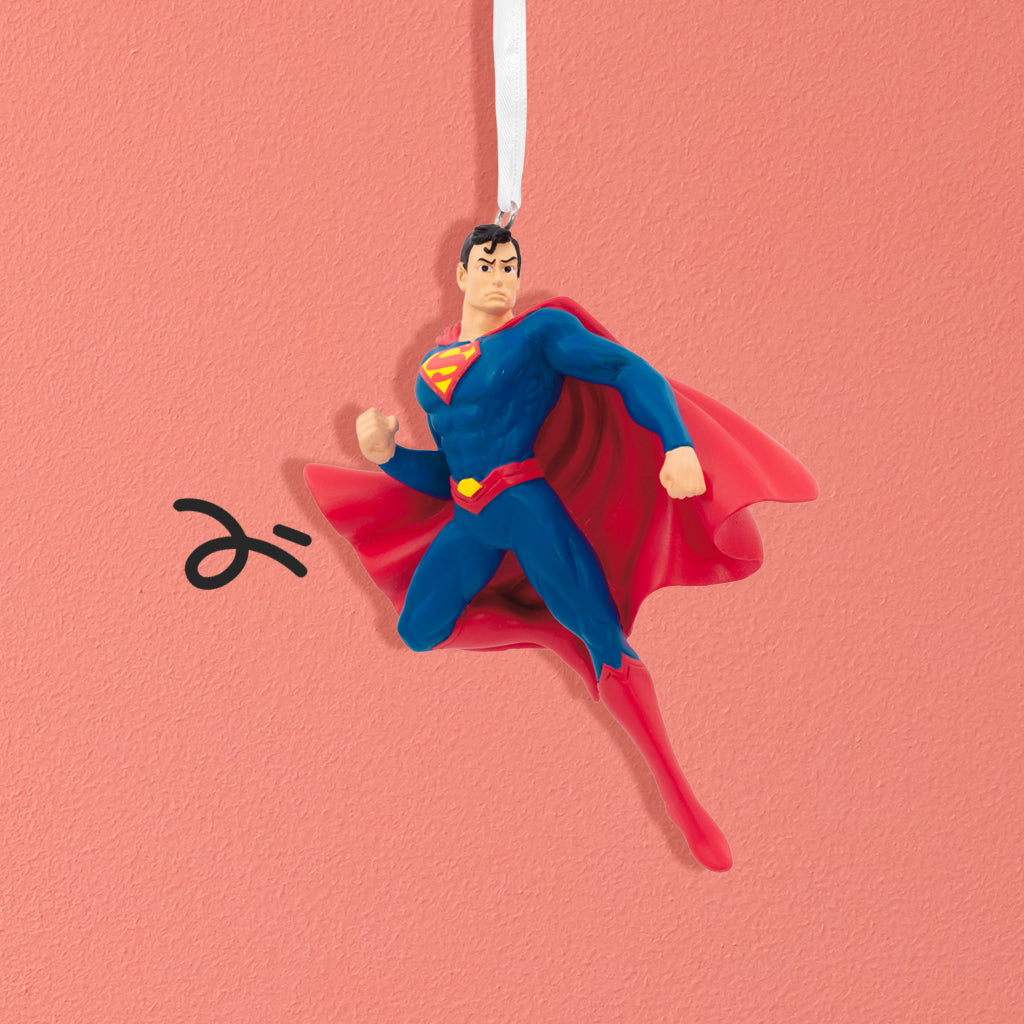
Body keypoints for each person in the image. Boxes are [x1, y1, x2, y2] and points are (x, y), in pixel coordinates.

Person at [306, 223, 818, 872]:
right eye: (487, 264)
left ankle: (682, 802)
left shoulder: (538, 335)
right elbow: (448, 471)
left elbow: (626, 369)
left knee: (605, 643)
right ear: (460, 275)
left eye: (509, 265)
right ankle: (547, 631)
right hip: (469, 517)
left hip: (525, 506)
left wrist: (677, 443)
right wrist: (389, 456)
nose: (499, 276)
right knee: (418, 630)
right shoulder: (431, 369)